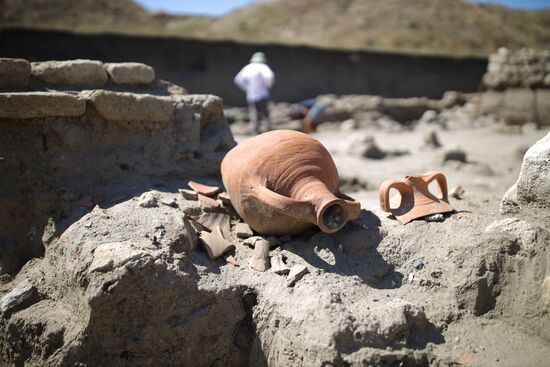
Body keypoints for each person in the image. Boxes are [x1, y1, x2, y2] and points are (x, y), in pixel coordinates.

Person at [234, 52, 275, 134]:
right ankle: (268, 132)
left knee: (253, 114)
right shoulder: (264, 67)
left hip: (251, 95)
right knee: (265, 114)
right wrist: (267, 86)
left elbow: (237, 79)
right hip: (263, 94)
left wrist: (246, 88)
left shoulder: (248, 68)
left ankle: (255, 132)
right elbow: (270, 77)